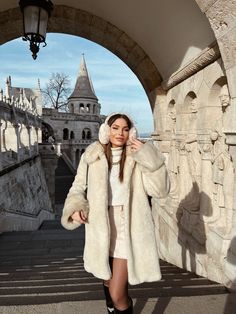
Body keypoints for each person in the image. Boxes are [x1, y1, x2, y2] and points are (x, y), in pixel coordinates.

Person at [61, 113, 170, 313]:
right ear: (106, 130)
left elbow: (160, 191)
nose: (120, 132)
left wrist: (150, 157)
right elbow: (78, 186)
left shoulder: (137, 156)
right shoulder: (93, 154)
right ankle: (110, 308)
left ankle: (115, 305)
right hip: (101, 226)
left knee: (118, 294)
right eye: (115, 127)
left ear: (131, 132)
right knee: (106, 278)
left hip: (128, 226)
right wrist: (76, 207)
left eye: (125, 129)